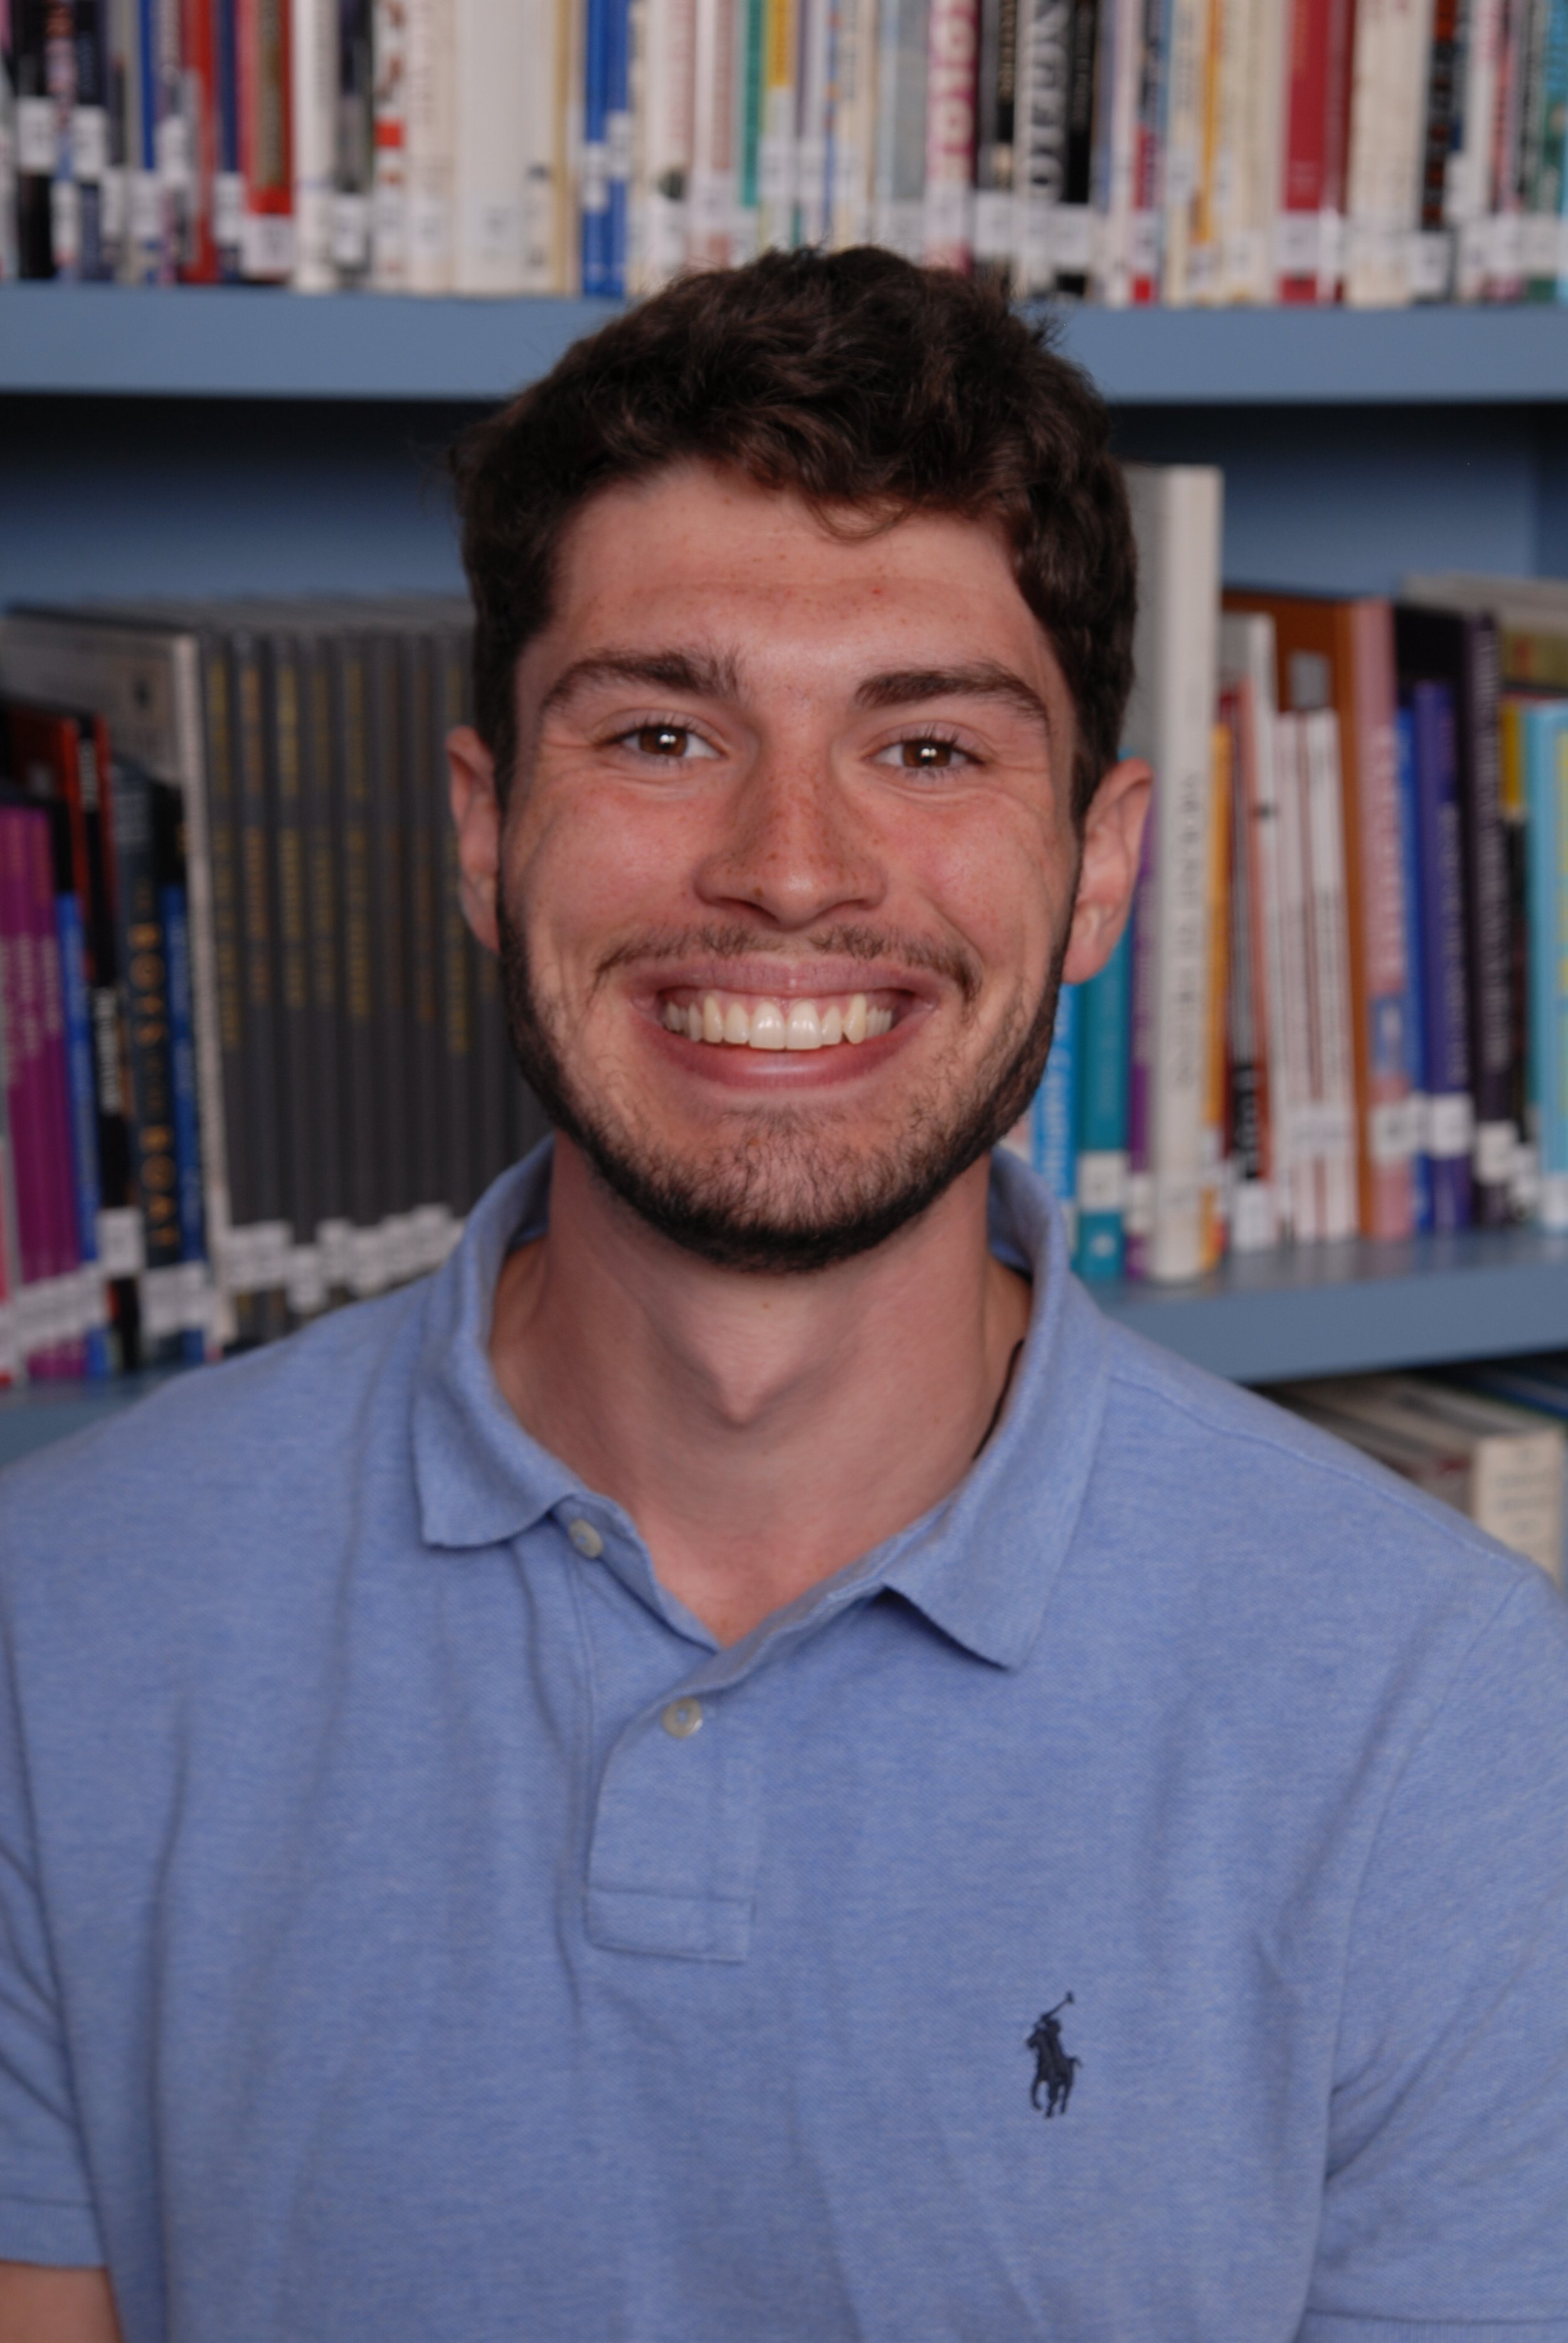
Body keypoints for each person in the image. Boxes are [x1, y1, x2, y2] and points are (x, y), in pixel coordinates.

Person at [1, 250, 1565, 2343]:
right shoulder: (54, 1626)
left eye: (926, 748)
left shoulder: (1447, 1717)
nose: (791, 867)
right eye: (662, 733)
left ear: (1099, 870)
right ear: (482, 835)